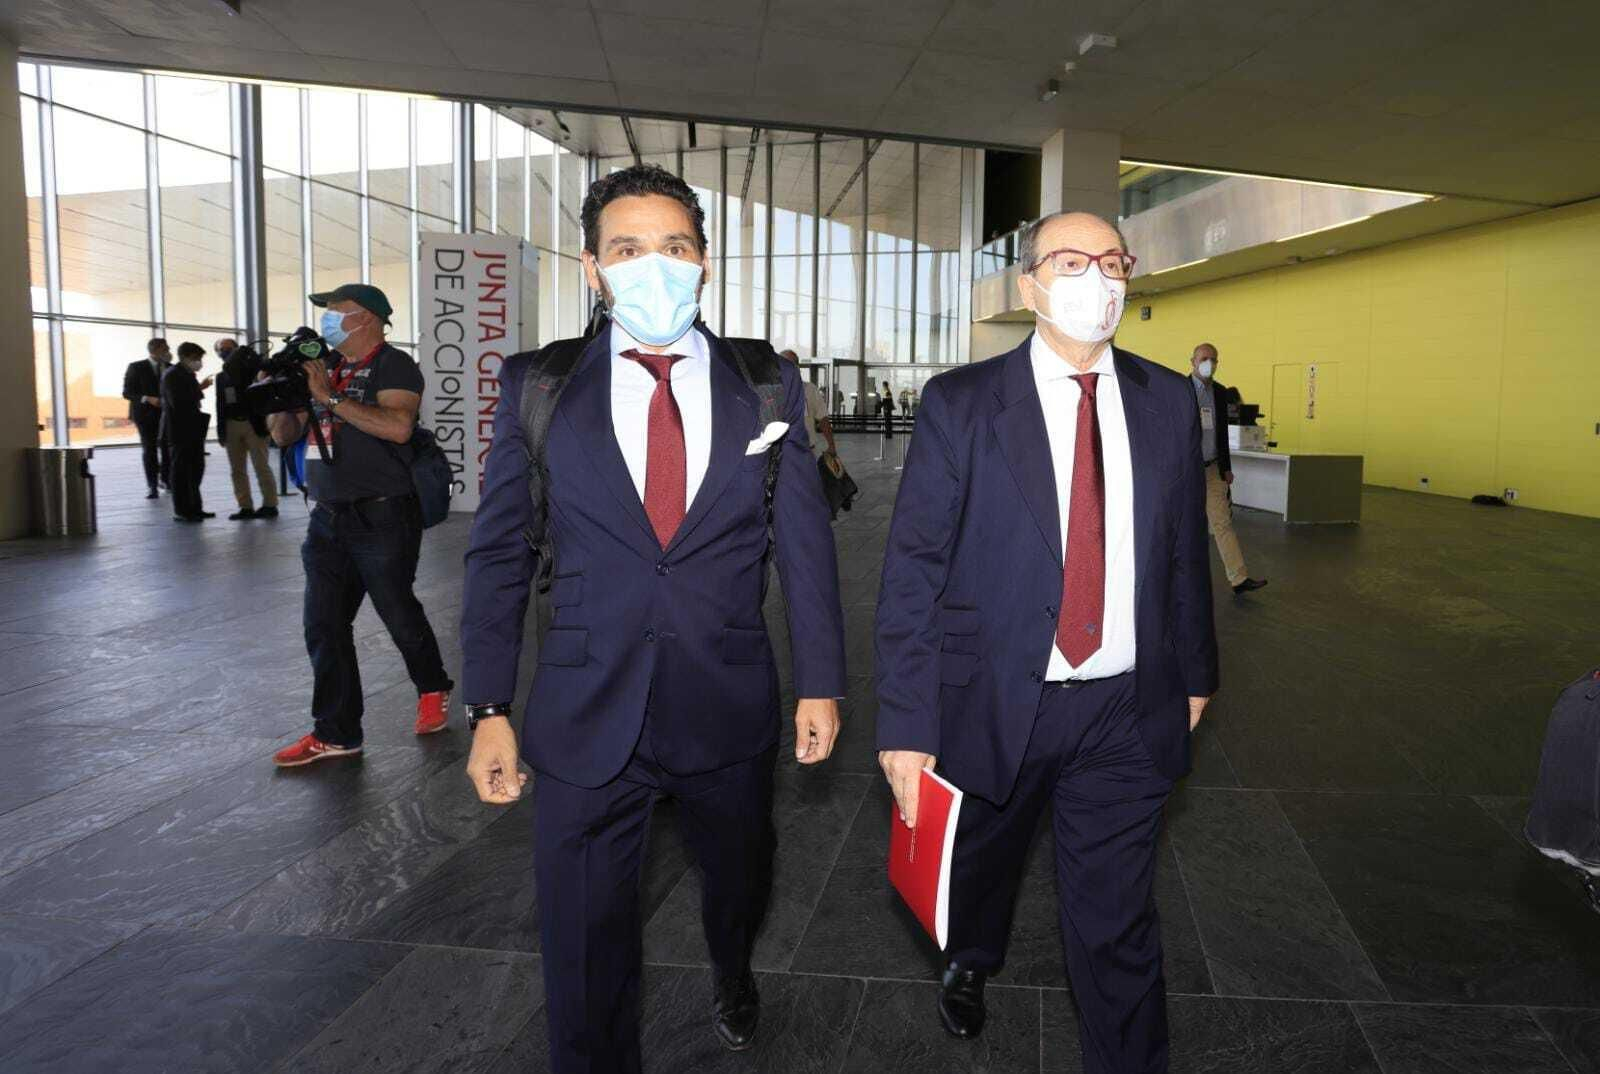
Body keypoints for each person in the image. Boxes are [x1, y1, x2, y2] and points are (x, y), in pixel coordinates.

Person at [461, 163, 847, 1073]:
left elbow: (804, 548)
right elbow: (499, 555)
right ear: (592, 268)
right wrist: (487, 708)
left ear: (704, 261)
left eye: (673, 247)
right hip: (585, 710)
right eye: (628, 250)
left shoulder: (764, 382)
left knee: (739, 878)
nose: (654, 267)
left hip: (726, 695)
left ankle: (732, 967)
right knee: (583, 943)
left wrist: (822, 682)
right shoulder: (537, 387)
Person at [875, 211, 1219, 1074]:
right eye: (1071, 261)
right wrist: (908, 724)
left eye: (1112, 261)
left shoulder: (1167, 398)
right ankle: (969, 959)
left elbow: (1182, 549)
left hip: (1124, 707)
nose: (1095, 279)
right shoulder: (962, 403)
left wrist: (1197, 672)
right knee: (984, 861)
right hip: (994, 698)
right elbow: (914, 568)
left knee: (1118, 921)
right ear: (1029, 285)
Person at [265, 283, 453, 767]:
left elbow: (398, 426)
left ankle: (432, 686)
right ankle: (336, 732)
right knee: (323, 625)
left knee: (396, 609)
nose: (328, 320)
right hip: (326, 518)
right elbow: (284, 435)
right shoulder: (325, 369)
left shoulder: (394, 365)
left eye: (336, 312)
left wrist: (327, 397)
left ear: (366, 318)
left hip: (384, 514)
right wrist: (282, 396)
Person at [1190, 343, 1267, 595]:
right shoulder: (1181, 390)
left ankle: (1239, 578)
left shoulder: (1220, 392)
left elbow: (1221, 435)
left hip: (1213, 469)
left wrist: (1227, 468)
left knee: (1222, 524)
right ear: (1192, 361)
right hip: (1187, 471)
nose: (1208, 363)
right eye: (1204, 358)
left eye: (1213, 359)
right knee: (1182, 525)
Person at [215, 337, 279, 521]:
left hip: (254, 424)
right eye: (222, 349)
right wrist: (221, 431)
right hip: (230, 424)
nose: (225, 352)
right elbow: (220, 405)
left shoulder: (253, 371)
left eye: (229, 348)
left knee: (261, 466)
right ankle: (245, 506)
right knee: (237, 469)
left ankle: (270, 504)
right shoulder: (221, 377)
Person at [161, 343, 214, 522]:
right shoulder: (172, 375)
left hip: (192, 429)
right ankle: (182, 510)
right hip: (180, 430)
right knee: (181, 470)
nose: (198, 362)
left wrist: (197, 389)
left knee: (196, 468)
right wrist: (199, 389)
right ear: (185, 357)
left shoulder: (187, 374)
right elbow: (178, 402)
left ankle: (195, 507)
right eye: (196, 358)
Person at [123, 338, 172, 499]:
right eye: (165, 348)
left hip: (166, 414)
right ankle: (152, 485)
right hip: (144, 414)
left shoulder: (171, 368)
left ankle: (165, 479)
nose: (168, 351)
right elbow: (128, 392)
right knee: (149, 448)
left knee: (166, 447)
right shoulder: (136, 367)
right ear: (155, 350)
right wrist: (147, 398)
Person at [780, 349, 837, 458]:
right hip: (781, 455)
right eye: (781, 365)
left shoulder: (810, 389)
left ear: (796, 367)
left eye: (788, 364)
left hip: (807, 452)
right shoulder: (772, 392)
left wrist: (831, 445)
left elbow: (823, 418)